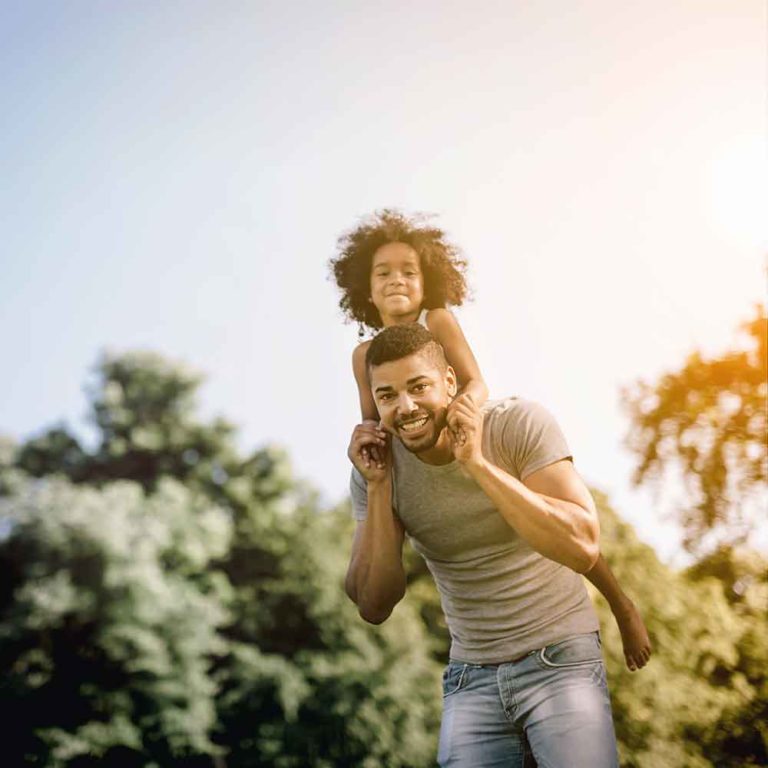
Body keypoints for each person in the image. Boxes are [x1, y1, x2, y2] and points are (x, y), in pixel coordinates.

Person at [330, 209, 651, 671]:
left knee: (555, 516)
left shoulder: (437, 320)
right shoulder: (363, 355)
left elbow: (476, 381)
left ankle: (621, 604)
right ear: (366, 286)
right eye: (383, 273)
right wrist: (372, 447)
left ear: (428, 282)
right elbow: (375, 417)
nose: (395, 281)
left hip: (470, 426)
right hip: (420, 454)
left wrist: (466, 416)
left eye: (408, 272)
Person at [345, 323, 619, 766]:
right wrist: (378, 488)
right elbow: (373, 605)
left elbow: (583, 544)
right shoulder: (377, 467)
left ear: (450, 382)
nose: (406, 406)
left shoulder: (516, 423)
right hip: (470, 677)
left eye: (419, 387)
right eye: (388, 396)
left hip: (560, 658)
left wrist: (474, 462)